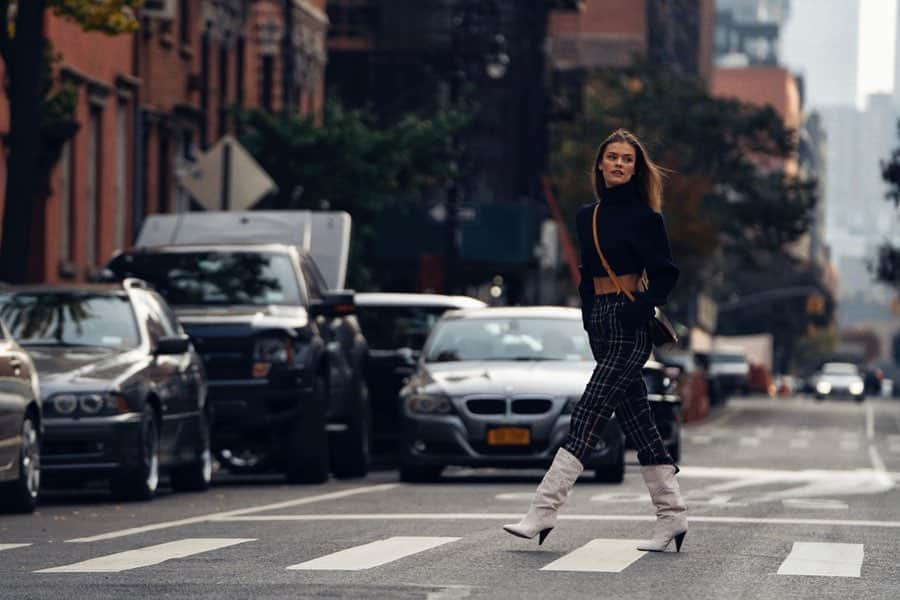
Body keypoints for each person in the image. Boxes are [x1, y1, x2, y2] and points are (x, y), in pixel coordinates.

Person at [503, 129, 687, 552]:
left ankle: (544, 508)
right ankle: (672, 515)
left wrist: (642, 305)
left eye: (628, 159)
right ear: (601, 165)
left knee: (589, 408)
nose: (620, 164)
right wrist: (589, 320)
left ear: (635, 168)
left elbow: (666, 272)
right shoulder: (588, 215)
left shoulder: (646, 218)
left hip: (631, 322)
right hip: (600, 322)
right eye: (613, 157)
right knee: (639, 423)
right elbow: (587, 275)